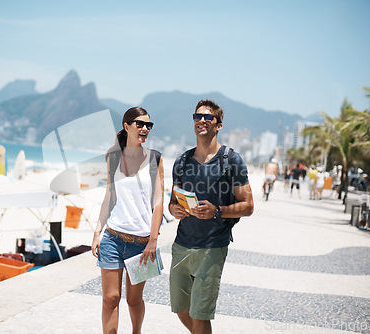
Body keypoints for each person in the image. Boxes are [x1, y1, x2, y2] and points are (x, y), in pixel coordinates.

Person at [168, 99, 254, 334]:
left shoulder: (231, 161)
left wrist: (218, 210)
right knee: (181, 309)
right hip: (182, 244)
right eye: (197, 117)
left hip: (212, 247)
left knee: (200, 315)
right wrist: (174, 210)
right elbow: (172, 203)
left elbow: (248, 206)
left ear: (219, 125)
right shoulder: (182, 162)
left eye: (208, 117)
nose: (202, 121)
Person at [91, 107, 164, 334]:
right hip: (113, 237)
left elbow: (159, 202)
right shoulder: (113, 157)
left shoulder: (155, 159)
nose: (144, 129)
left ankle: (136, 332)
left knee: (134, 300)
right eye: (140, 124)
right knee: (110, 298)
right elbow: (109, 197)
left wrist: (153, 240)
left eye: (148, 125)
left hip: (141, 243)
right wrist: (97, 231)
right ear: (126, 126)